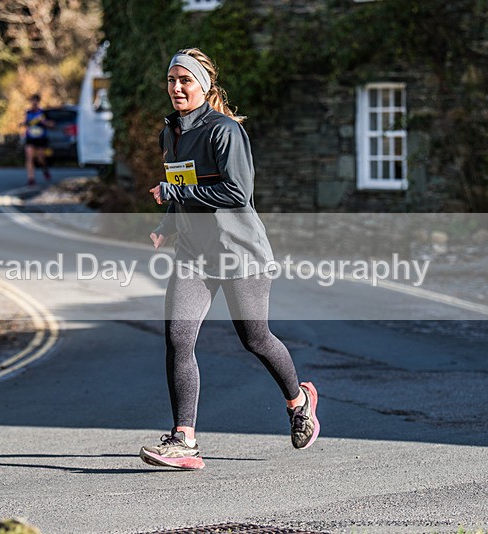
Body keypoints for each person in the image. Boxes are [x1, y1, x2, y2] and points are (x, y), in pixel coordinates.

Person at [139, 48, 320, 470]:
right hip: (194, 256)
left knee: (254, 338)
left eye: (186, 80)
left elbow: (236, 193)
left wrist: (176, 194)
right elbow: (182, 183)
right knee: (177, 339)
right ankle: (184, 439)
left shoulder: (224, 132)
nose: (177, 87)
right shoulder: (172, 132)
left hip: (240, 254)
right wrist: (168, 223)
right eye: (172, 80)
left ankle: (299, 401)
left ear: (204, 85)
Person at [22, 94, 53, 186]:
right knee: (29, 157)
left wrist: (44, 122)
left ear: (38, 102)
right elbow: (24, 123)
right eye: (32, 101)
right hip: (30, 138)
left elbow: (52, 124)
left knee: (40, 158)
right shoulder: (28, 112)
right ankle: (31, 178)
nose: (34, 103)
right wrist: (24, 125)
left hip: (41, 138)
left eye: (36, 101)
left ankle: (45, 169)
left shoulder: (43, 113)